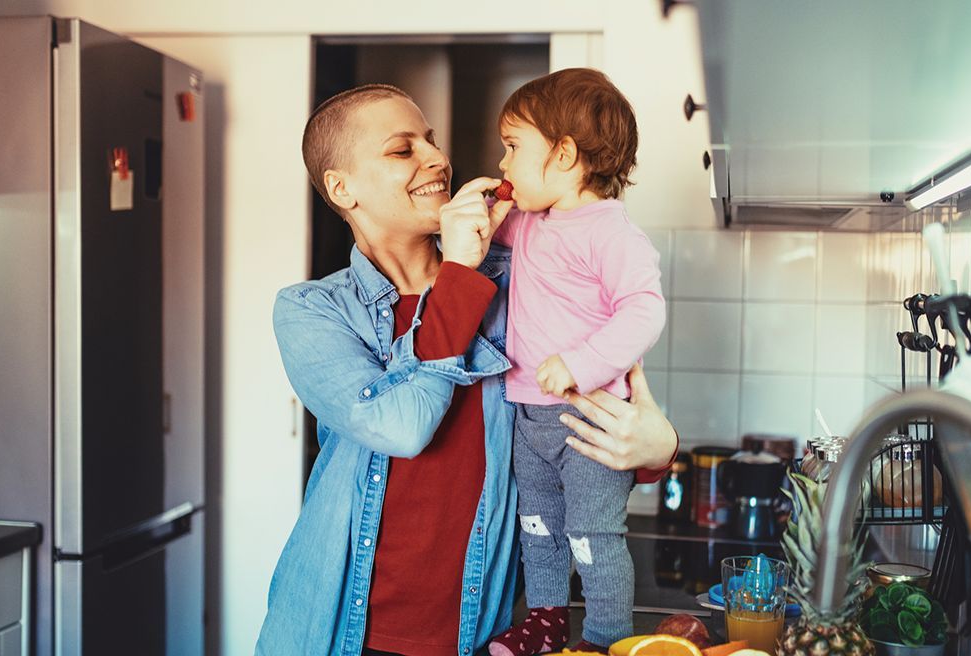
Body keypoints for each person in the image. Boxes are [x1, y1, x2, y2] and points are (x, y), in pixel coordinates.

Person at [255, 83, 677, 656]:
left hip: (481, 633)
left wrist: (659, 450)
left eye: (430, 141)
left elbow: (592, 404)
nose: (437, 158)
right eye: (402, 149)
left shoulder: (519, 274)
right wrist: (455, 272)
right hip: (340, 633)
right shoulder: (312, 311)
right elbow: (401, 426)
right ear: (341, 187)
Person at [483, 69, 665, 656]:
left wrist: (582, 364)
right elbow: (479, 236)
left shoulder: (612, 234)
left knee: (593, 536)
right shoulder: (530, 222)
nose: (504, 164)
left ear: (564, 155)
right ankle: (546, 623)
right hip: (528, 419)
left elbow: (644, 312)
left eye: (513, 148)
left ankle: (609, 640)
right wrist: (479, 219)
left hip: (590, 421)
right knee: (538, 530)